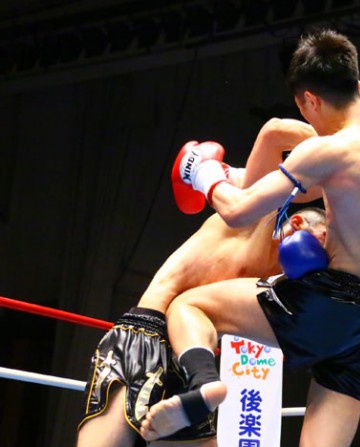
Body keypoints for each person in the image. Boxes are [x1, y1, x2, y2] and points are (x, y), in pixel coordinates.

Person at [140, 27, 360, 447]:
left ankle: (204, 384)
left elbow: (238, 212)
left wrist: (203, 173)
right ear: (357, 86)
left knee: (189, 306)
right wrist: (234, 174)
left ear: (310, 101)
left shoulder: (328, 150)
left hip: (334, 302)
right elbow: (295, 188)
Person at [76, 117, 324, 447]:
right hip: (148, 332)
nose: (322, 255)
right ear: (298, 222)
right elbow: (276, 131)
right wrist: (343, 147)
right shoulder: (258, 216)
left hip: (194, 360)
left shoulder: (280, 279)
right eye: (323, 239)